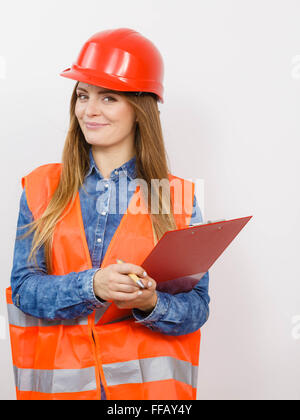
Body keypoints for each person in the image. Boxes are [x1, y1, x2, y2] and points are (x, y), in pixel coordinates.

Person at [7, 28, 210, 400]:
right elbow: (23, 290)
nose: (89, 110)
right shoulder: (41, 188)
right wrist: (92, 286)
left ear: (140, 109)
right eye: (83, 96)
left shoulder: (177, 197)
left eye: (109, 97)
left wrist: (151, 303)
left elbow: (196, 308)